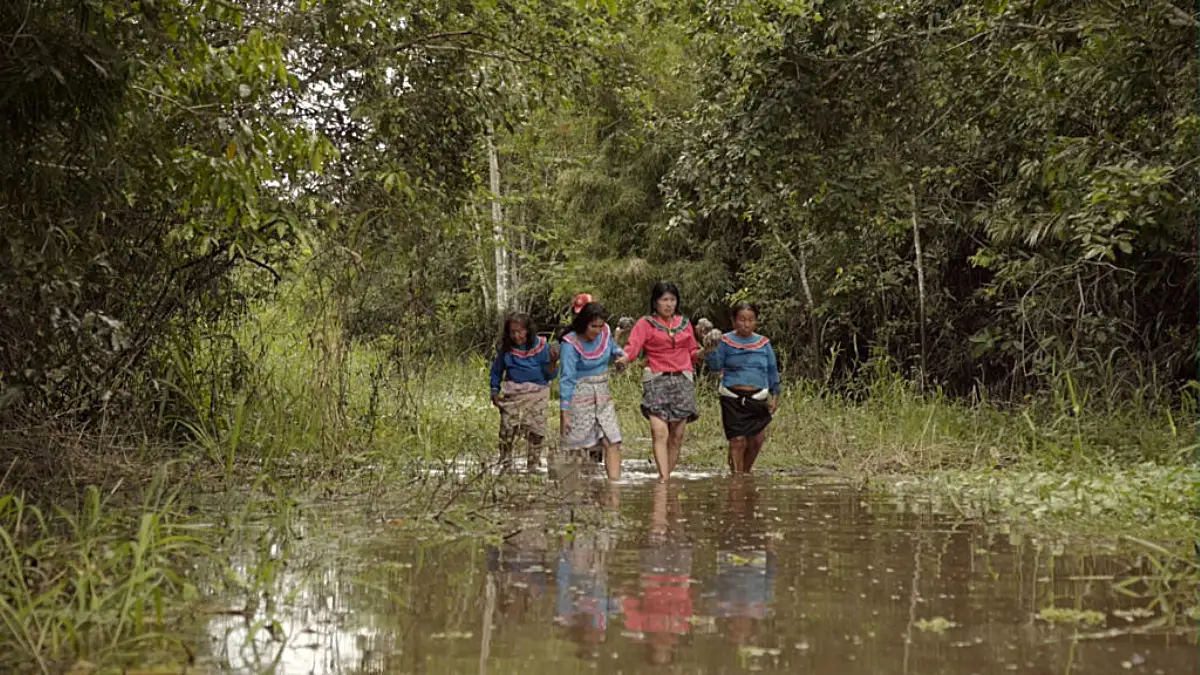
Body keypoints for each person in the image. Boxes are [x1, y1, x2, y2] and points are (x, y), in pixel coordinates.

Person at [614, 281, 701, 482]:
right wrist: (624, 358)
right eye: (664, 300)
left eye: (672, 300)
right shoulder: (645, 323)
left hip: (682, 379)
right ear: (655, 302)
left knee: (677, 435)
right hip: (656, 379)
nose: (669, 304)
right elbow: (633, 348)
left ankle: (666, 476)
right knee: (659, 432)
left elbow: (693, 352)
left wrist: (708, 350)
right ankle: (663, 478)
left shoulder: (684, 323)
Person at [703, 302, 780, 474]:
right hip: (732, 397)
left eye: (750, 320)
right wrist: (709, 350)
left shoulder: (764, 344)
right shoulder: (724, 341)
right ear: (733, 321)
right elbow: (716, 366)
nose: (746, 324)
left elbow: (772, 370)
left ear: (756, 322)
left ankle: (745, 472)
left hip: (758, 397)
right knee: (737, 440)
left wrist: (775, 394)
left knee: (757, 440)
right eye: (742, 320)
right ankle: (737, 478)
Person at [559, 302, 625, 479]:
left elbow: (611, 348)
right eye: (593, 326)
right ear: (583, 324)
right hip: (580, 395)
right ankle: (576, 489)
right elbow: (567, 378)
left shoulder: (605, 333)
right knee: (579, 446)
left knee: (612, 440)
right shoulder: (570, 343)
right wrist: (564, 412)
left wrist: (620, 355)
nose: (597, 330)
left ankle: (614, 487)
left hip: (603, 393)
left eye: (600, 326)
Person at [490, 313, 558, 471]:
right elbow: (496, 371)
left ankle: (533, 465)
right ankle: (505, 463)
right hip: (513, 393)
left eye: (520, 331)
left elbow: (551, 375)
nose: (516, 335)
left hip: (537, 393)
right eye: (512, 332)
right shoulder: (507, 350)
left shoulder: (542, 347)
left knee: (536, 432)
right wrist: (494, 390)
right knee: (507, 429)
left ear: (528, 330)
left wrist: (553, 361)